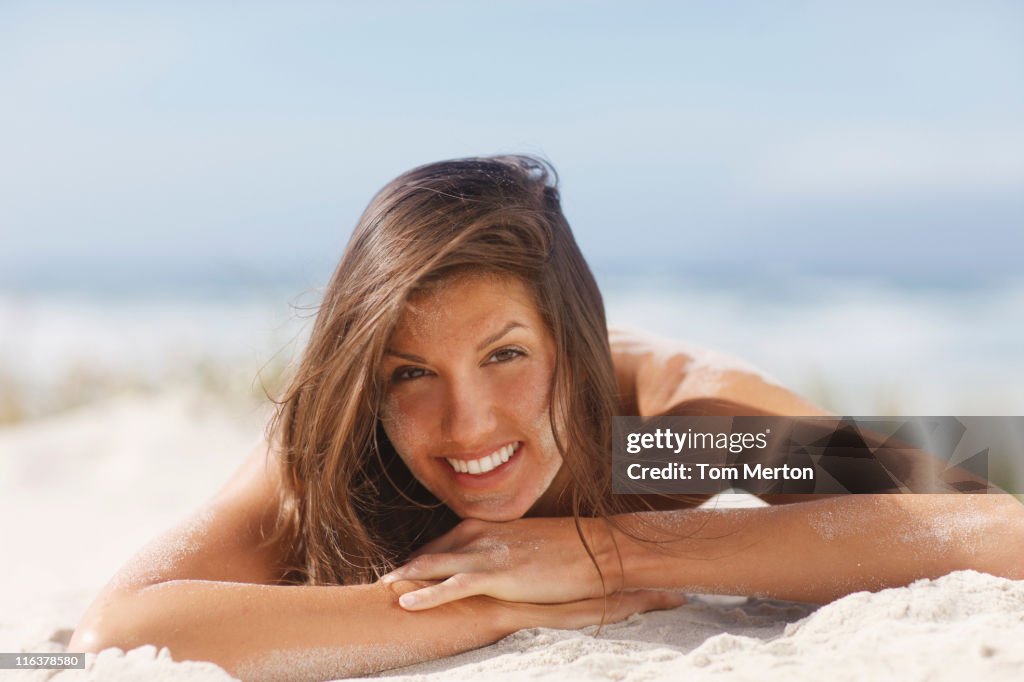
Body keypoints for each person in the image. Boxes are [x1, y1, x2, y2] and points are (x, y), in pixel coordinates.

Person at [68, 155, 1024, 680]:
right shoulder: (342, 436)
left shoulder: (665, 430)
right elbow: (115, 635)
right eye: (411, 372)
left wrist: (611, 551)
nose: (467, 423)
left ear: (569, 342)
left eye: (506, 355)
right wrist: (481, 606)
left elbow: (993, 522)